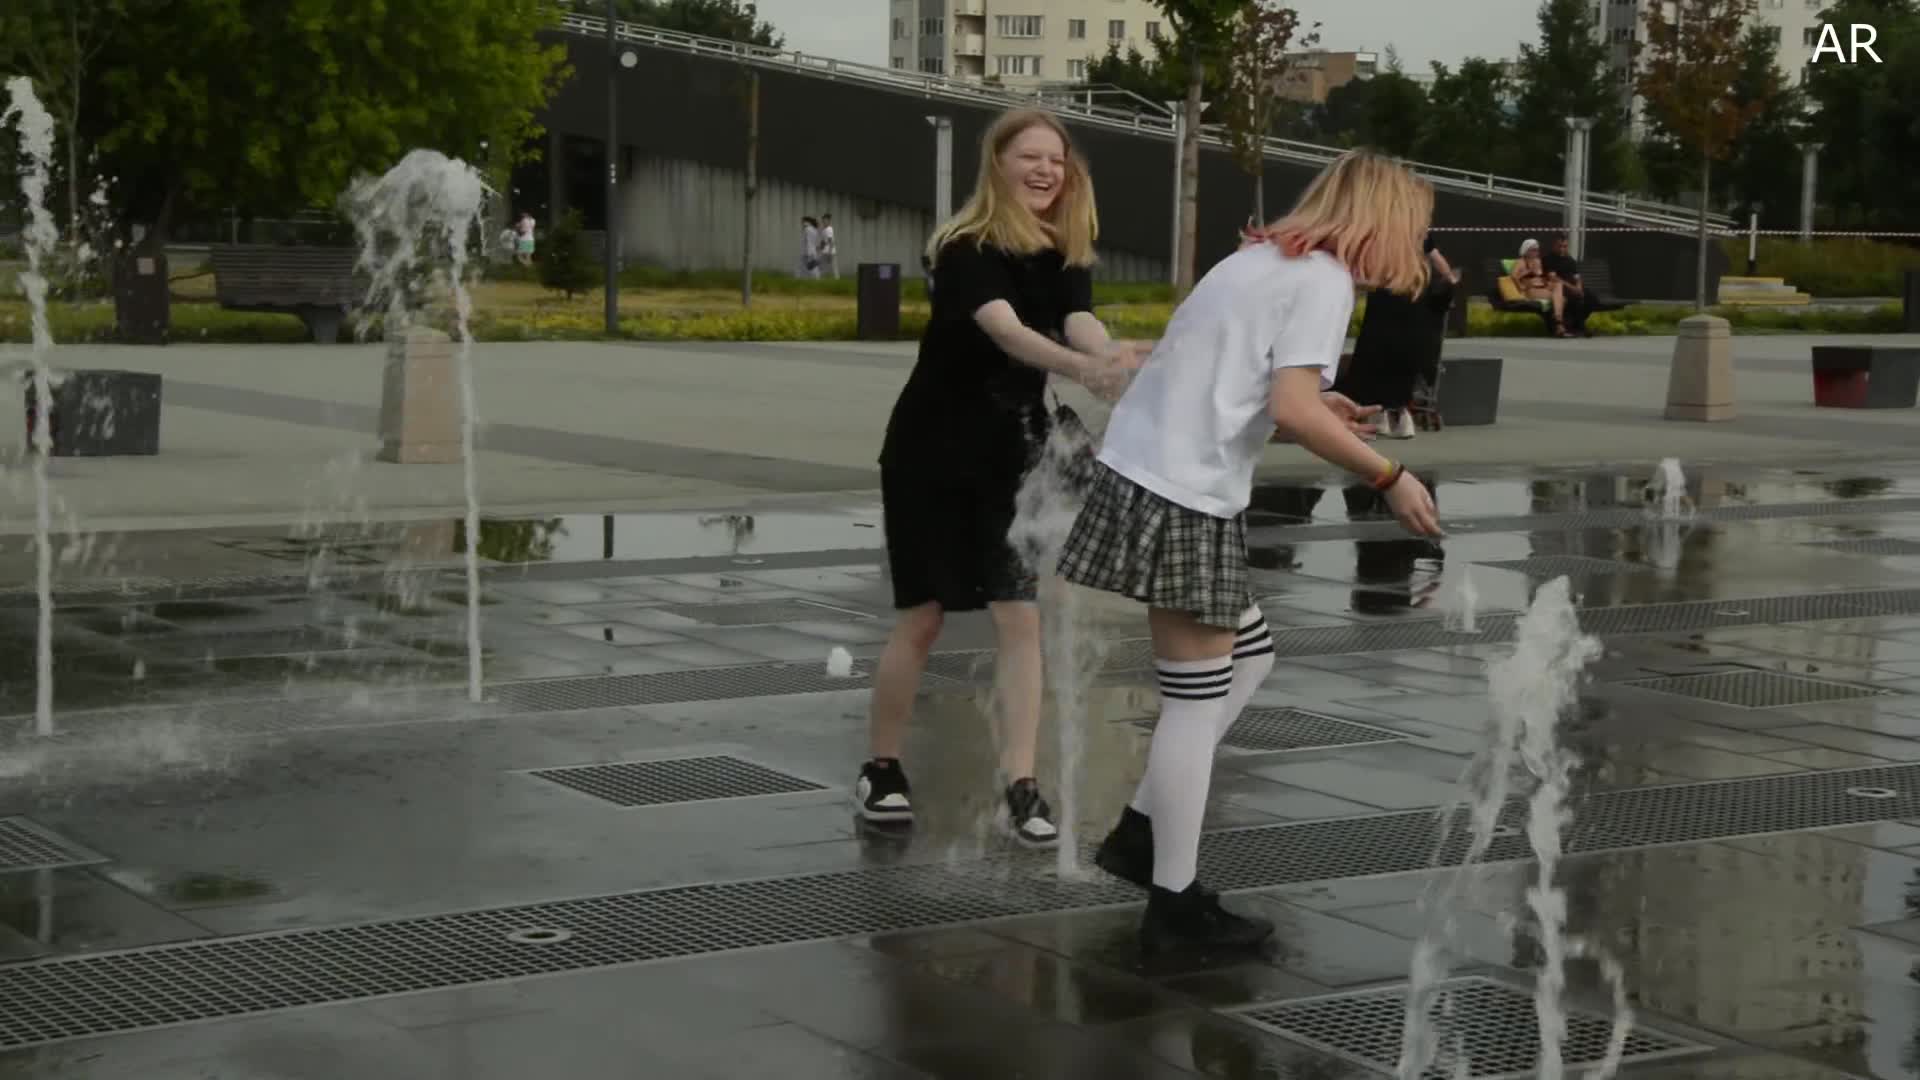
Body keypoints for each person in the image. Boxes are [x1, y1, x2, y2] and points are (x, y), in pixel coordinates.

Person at [1060, 149, 1444, 951]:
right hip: (1181, 492)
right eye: (1413, 229)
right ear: (1381, 221)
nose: (1413, 247)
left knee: (1250, 659)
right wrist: (1390, 476)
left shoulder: (1261, 259)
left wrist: (1320, 403)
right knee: (1195, 703)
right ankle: (1173, 903)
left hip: (1151, 473)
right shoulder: (1323, 281)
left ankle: (1142, 833)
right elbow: (1292, 410)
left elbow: (1252, 385)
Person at [860, 108, 1142, 846]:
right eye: (1030, 157)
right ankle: (881, 768)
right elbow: (1008, 331)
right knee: (924, 616)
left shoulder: (1064, 249)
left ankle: (1022, 783)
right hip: (933, 453)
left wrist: (1108, 356)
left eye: (1056, 159)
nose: (1045, 170)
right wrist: (1083, 370)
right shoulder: (968, 247)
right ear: (999, 165)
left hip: (1013, 454)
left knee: (1020, 615)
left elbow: (1077, 319)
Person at [1334, 236, 1459, 440]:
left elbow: (1366, 275)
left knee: (1376, 356)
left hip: (1386, 303)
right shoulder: (1418, 235)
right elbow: (1439, 262)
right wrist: (1449, 281)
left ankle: (1381, 414)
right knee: (1401, 358)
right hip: (1412, 303)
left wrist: (1352, 284)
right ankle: (1400, 416)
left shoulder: (1380, 235)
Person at [1504, 238, 1570, 337]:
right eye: (1533, 250)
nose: (1536, 252)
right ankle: (1558, 324)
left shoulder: (1539, 261)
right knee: (1562, 299)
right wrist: (1523, 282)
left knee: (1558, 286)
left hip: (1543, 287)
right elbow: (1514, 276)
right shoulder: (1521, 262)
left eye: (1537, 250)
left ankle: (1558, 323)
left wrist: (1547, 280)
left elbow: (1542, 275)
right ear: (1526, 250)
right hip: (1532, 290)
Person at [1541, 234, 1591, 337]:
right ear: (1553, 246)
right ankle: (1577, 327)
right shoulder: (1548, 259)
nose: (1562, 249)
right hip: (1560, 288)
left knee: (1590, 297)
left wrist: (1578, 287)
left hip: (1572, 288)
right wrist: (1572, 288)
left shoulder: (1570, 260)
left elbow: (1577, 276)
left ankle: (1579, 326)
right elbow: (1554, 278)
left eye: (1564, 246)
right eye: (1559, 246)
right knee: (1570, 298)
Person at [819, 214, 839, 279]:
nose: (824, 221)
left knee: (833, 267)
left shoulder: (829, 229)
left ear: (829, 221)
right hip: (825, 252)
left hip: (830, 252)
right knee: (822, 266)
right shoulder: (824, 230)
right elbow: (823, 241)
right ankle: (819, 278)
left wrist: (830, 253)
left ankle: (836, 279)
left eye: (825, 220)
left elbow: (831, 242)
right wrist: (819, 248)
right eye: (823, 220)